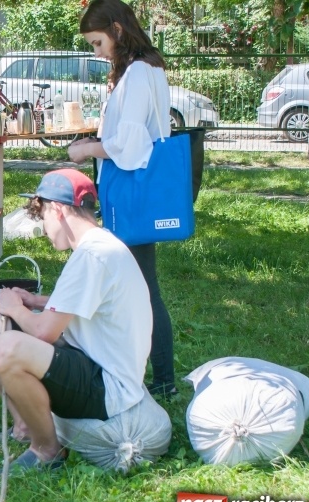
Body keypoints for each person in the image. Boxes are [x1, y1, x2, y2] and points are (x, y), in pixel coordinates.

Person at [0, 169, 152, 473]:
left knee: (8, 347)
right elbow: (86, 305)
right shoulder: (99, 246)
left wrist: (12, 307)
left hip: (107, 387)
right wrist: (34, 301)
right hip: (88, 358)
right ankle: (24, 422)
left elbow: (44, 332)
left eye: (42, 215)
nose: (43, 229)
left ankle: (47, 450)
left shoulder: (93, 256)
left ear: (58, 210)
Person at [66, 0, 177, 397]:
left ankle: (163, 381)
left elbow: (129, 146)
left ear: (116, 29)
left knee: (143, 287)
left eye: (97, 43)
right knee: (136, 283)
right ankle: (144, 374)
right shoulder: (143, 69)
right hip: (131, 188)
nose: (96, 52)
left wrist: (87, 149)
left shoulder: (139, 73)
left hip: (132, 189)